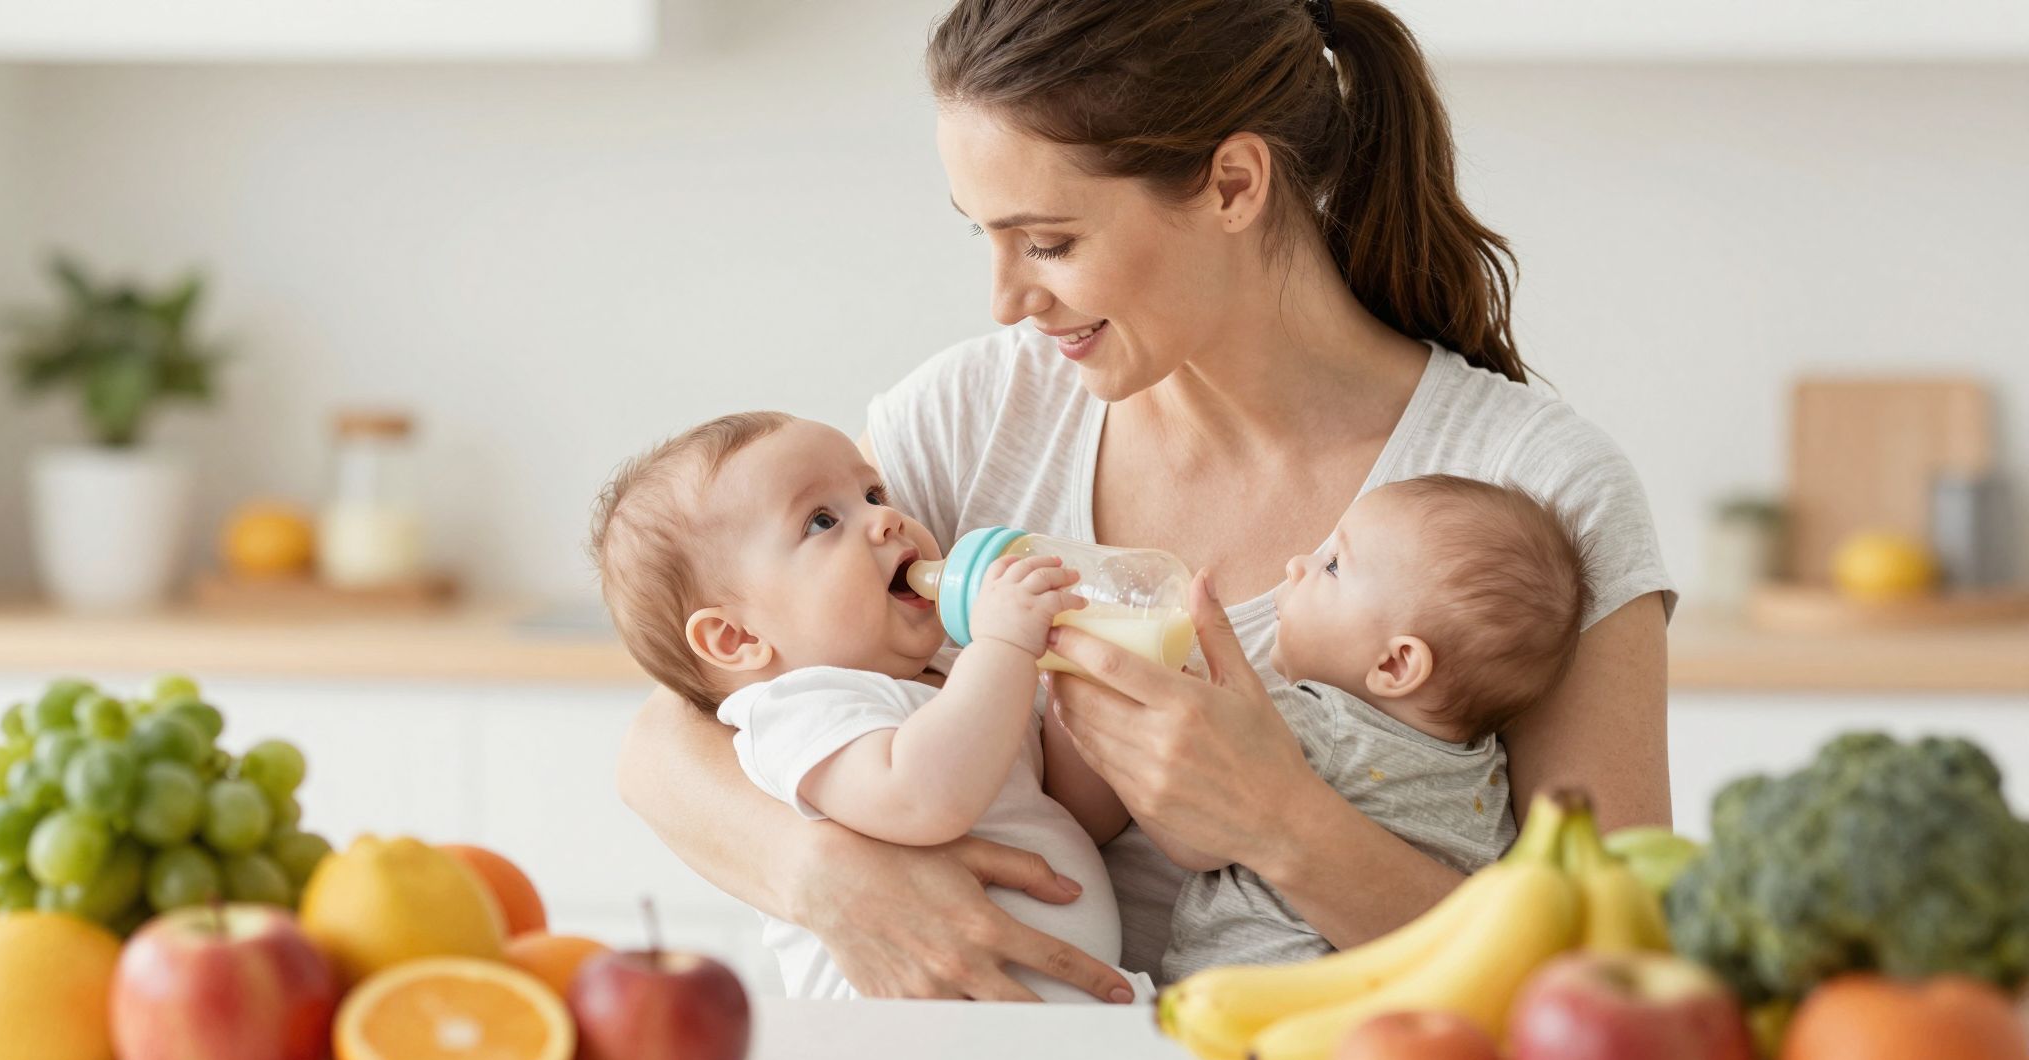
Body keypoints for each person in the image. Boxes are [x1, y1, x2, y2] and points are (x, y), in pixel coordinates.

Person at [616, 0, 1674, 1003]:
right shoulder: (968, 419)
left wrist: (1281, 825)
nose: (1006, 300)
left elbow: (1612, 976)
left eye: (1050, 242)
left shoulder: (1535, 488)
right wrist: (824, 879)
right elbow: (670, 738)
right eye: (981, 235)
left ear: (1230, 184)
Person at [590, 412, 1153, 1003]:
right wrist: (1005, 646)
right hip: (907, 1035)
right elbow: (922, 797)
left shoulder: (962, 674)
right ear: (737, 639)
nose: (887, 520)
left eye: (873, 493)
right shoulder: (796, 710)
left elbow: (1081, 817)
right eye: (822, 520)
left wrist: (1080, 688)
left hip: (1036, 1021)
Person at [1153, 475, 1589, 982]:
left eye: (1333, 566)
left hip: (1248, 1005)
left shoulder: (1311, 722)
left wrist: (1153, 699)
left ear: (1397, 665)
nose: (1299, 565)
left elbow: (1191, 838)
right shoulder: (1488, 775)